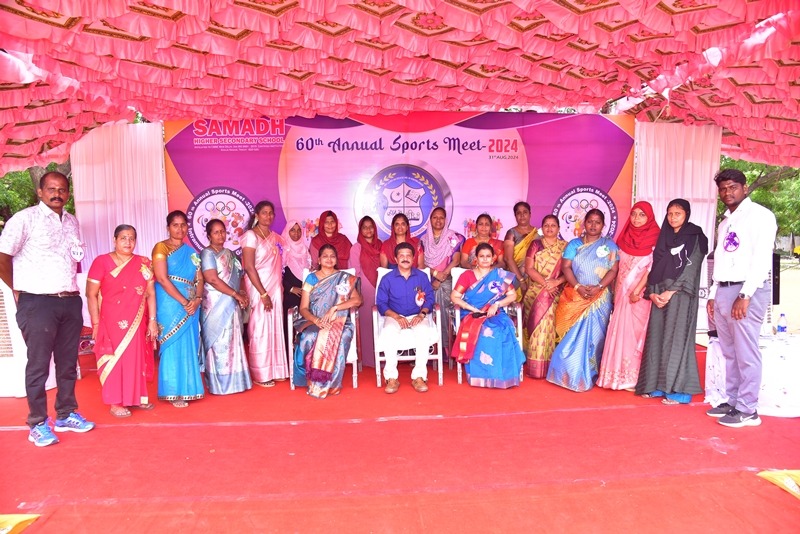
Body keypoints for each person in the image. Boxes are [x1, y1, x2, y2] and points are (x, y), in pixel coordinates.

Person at [0, 171, 95, 446]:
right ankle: (38, 423)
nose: (57, 194)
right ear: (40, 192)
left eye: (62, 189)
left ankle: (66, 414)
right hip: (37, 302)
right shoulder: (25, 219)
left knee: (67, 363)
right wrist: (18, 289)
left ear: (68, 194)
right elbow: (3, 256)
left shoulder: (72, 221)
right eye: (51, 189)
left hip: (69, 300)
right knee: (39, 365)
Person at [706, 169, 777, 427]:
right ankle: (733, 401)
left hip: (747, 291)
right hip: (724, 290)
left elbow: (762, 259)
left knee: (746, 352)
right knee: (729, 351)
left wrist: (745, 294)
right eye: (723, 188)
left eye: (733, 187)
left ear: (745, 188)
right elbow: (721, 260)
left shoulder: (760, 216)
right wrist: (713, 295)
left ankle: (748, 410)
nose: (727, 192)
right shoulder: (725, 222)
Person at [635, 199, 708, 404]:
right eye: (670, 213)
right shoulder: (664, 236)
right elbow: (655, 266)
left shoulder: (695, 235)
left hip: (680, 294)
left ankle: (678, 391)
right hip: (659, 292)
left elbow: (691, 267)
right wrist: (652, 293)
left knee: (676, 339)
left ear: (687, 214)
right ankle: (656, 386)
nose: (673, 217)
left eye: (678, 213)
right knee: (657, 338)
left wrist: (671, 291)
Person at [86, 225, 158, 418]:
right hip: (110, 321)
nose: (128, 242)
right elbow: (91, 294)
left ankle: (136, 397)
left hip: (137, 320)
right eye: (123, 238)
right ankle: (115, 402)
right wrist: (95, 324)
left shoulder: (143, 262)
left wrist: (152, 320)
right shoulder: (101, 261)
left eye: (132, 238)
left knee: (135, 358)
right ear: (115, 240)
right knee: (114, 359)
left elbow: (151, 293)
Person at [547, 209, 619, 392]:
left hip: (600, 298)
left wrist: (599, 287)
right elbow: (566, 267)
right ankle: (567, 373)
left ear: (603, 225)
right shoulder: (574, 244)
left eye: (597, 222)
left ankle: (589, 375)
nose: (593, 225)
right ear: (584, 223)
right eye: (590, 221)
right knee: (570, 336)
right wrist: (578, 286)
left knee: (595, 337)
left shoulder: (610, 246)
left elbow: (613, 270)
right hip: (575, 294)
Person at [597, 202, 660, 390]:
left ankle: (633, 378)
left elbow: (652, 269)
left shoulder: (656, 238)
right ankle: (616, 376)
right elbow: (614, 267)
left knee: (636, 335)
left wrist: (637, 290)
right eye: (634, 214)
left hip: (639, 297)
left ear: (649, 217)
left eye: (642, 215)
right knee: (619, 333)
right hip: (621, 294)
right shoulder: (624, 237)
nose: (636, 218)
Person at [451, 243, 525, 388]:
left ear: (493, 259)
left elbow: (512, 295)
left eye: (488, 256)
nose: (485, 259)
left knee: (504, 329)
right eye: (481, 256)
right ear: (476, 259)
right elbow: (455, 296)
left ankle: (503, 375)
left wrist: (497, 304)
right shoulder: (467, 276)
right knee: (486, 331)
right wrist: (472, 309)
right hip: (472, 314)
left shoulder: (500, 275)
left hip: (495, 313)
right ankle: (481, 376)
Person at [293, 244, 362, 398]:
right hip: (314, 320)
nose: (329, 259)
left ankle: (333, 383)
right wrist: (316, 320)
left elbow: (357, 300)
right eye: (325, 256)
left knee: (342, 336)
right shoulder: (311, 278)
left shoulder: (344, 278)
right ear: (319, 260)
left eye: (332, 256)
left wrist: (335, 308)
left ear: (336, 259)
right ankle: (312, 378)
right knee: (309, 336)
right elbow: (303, 308)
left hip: (339, 321)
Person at [153, 210, 205, 407]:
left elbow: (199, 279)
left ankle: (189, 389)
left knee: (189, 344)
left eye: (183, 225)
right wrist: (184, 301)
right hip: (170, 303)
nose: (180, 229)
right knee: (172, 344)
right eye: (175, 225)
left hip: (191, 304)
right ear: (168, 227)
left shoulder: (191, 252)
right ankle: (173, 391)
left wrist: (197, 299)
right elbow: (162, 278)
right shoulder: (161, 247)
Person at [376, 242, 437, 393]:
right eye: (401, 256)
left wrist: (422, 314)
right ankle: (391, 377)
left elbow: (430, 299)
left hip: (417, 315)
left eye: (408, 255)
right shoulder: (387, 279)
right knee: (388, 332)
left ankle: (419, 376)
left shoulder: (422, 277)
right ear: (396, 259)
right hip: (395, 316)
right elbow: (381, 303)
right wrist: (397, 317)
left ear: (413, 258)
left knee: (424, 332)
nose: (405, 258)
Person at [200, 219, 252, 395]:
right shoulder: (207, 254)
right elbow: (212, 279)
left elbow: (239, 276)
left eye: (222, 231)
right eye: (216, 232)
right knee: (218, 341)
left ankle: (237, 382)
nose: (220, 235)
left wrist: (242, 293)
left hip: (231, 303)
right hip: (214, 305)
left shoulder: (230, 254)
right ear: (209, 235)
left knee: (233, 340)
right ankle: (219, 384)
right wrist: (235, 294)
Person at [242, 200, 289, 386]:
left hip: (275, 287)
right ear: (256, 215)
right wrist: (263, 293)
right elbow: (249, 267)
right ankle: (261, 373)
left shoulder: (276, 237)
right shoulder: (250, 236)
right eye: (264, 213)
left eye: (271, 213)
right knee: (260, 326)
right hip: (258, 287)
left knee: (275, 324)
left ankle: (276, 369)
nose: (268, 216)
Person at [522, 215, 567, 378]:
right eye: (546, 225)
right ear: (542, 228)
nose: (549, 228)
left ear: (559, 228)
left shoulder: (565, 246)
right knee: (538, 327)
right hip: (535, 291)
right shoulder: (535, 244)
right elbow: (529, 268)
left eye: (553, 225)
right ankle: (535, 367)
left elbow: (570, 270)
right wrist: (546, 284)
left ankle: (549, 366)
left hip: (556, 292)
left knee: (549, 326)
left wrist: (556, 282)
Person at [420, 207, 464, 360]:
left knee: (442, 297)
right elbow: (421, 264)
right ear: (430, 220)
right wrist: (434, 275)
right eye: (435, 217)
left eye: (441, 217)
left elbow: (456, 260)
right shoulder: (423, 240)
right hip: (428, 278)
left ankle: (446, 347)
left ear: (446, 220)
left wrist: (440, 278)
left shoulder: (453, 238)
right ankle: (427, 349)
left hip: (447, 278)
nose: (438, 220)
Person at [349, 216, 382, 367]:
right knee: (367, 323)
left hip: (382, 288)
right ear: (360, 230)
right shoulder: (356, 248)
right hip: (365, 288)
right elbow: (354, 273)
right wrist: (357, 293)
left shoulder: (381, 245)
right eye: (364, 227)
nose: (368, 230)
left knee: (382, 321)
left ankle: (383, 356)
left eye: (371, 227)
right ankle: (369, 359)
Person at [281, 219, 312, 352]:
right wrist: (291, 288)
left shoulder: (305, 250)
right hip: (290, 294)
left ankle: (304, 354)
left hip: (305, 294)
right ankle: (289, 355)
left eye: (299, 230)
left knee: (305, 325)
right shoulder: (283, 250)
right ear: (287, 232)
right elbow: (278, 274)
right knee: (289, 326)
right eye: (292, 230)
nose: (296, 233)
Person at [503, 201, 538, 301]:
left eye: (525, 212)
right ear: (515, 216)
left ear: (530, 214)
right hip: (515, 276)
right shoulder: (511, 233)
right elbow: (508, 258)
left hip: (534, 277)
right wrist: (521, 280)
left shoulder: (538, 234)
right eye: (519, 213)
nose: (522, 215)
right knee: (514, 304)